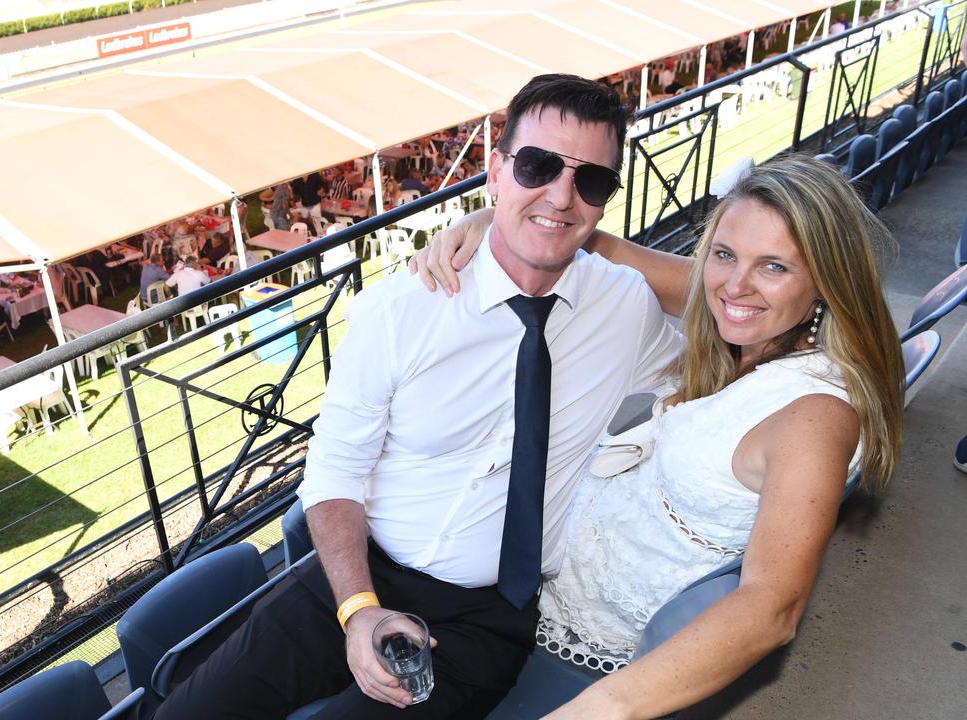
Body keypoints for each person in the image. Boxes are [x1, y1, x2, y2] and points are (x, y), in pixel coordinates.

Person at [155, 73, 684, 719]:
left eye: (591, 181)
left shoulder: (624, 306)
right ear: (496, 171)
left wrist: (551, 222)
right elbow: (336, 470)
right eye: (538, 166)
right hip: (356, 578)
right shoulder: (399, 310)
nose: (562, 194)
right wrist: (358, 609)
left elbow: (732, 312)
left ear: (606, 201)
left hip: (487, 618)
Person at [410, 155, 904, 718]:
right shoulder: (745, 311)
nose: (734, 285)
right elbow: (607, 249)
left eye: (774, 266)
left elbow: (772, 605)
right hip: (535, 587)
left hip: (577, 656)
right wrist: (485, 221)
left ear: (826, 279)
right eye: (723, 254)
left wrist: (601, 709)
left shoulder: (815, 417)